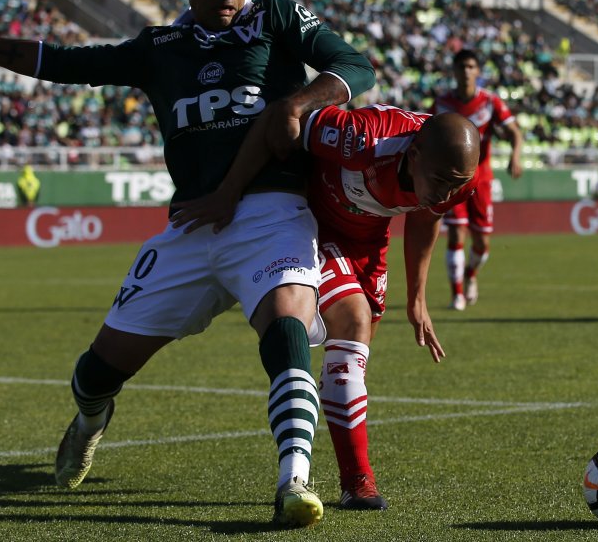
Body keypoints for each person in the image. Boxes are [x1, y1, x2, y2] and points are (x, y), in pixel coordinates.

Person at [0, 0, 376, 527]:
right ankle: (92, 418)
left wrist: (298, 103)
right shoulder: (160, 48)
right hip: (193, 223)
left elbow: (355, 67)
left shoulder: (277, 18)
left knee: (285, 324)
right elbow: (64, 63)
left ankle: (294, 481)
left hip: (270, 211)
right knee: (98, 372)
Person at [171, 104, 481, 510]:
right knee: (353, 322)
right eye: (440, 180)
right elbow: (283, 123)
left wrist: (417, 298)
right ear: (415, 153)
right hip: (308, 224)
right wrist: (238, 195)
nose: (445, 192)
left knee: (356, 350)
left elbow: (426, 218)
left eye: (454, 185)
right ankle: (356, 480)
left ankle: (347, 470)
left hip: (367, 243)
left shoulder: (457, 176)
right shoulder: (363, 137)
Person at [430, 49, 522, 311]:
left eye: (471, 66)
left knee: (482, 243)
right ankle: (456, 294)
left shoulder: (490, 102)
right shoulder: (442, 104)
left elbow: (515, 132)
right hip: (453, 180)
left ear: (478, 71)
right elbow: (426, 133)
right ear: (455, 71)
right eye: (461, 67)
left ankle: (471, 274)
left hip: (481, 179)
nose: (466, 71)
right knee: (456, 233)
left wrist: (515, 156)